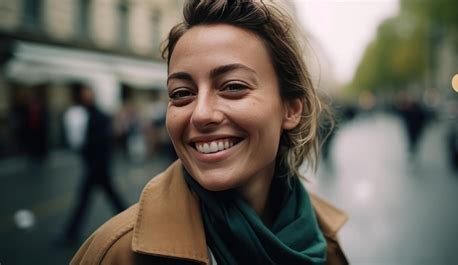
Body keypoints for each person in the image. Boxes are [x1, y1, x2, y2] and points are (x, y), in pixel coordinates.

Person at [71, 1, 348, 264]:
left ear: (291, 110)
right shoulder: (113, 255)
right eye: (181, 93)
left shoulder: (326, 241)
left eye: (233, 86)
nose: (201, 114)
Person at [62, 82, 126, 243]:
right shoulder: (86, 113)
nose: (86, 95)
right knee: (112, 198)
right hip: (94, 165)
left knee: (86, 200)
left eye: (88, 92)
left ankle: (70, 233)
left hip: (97, 166)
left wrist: (95, 165)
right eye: (84, 92)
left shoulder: (100, 116)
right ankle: (131, 223)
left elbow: (104, 143)